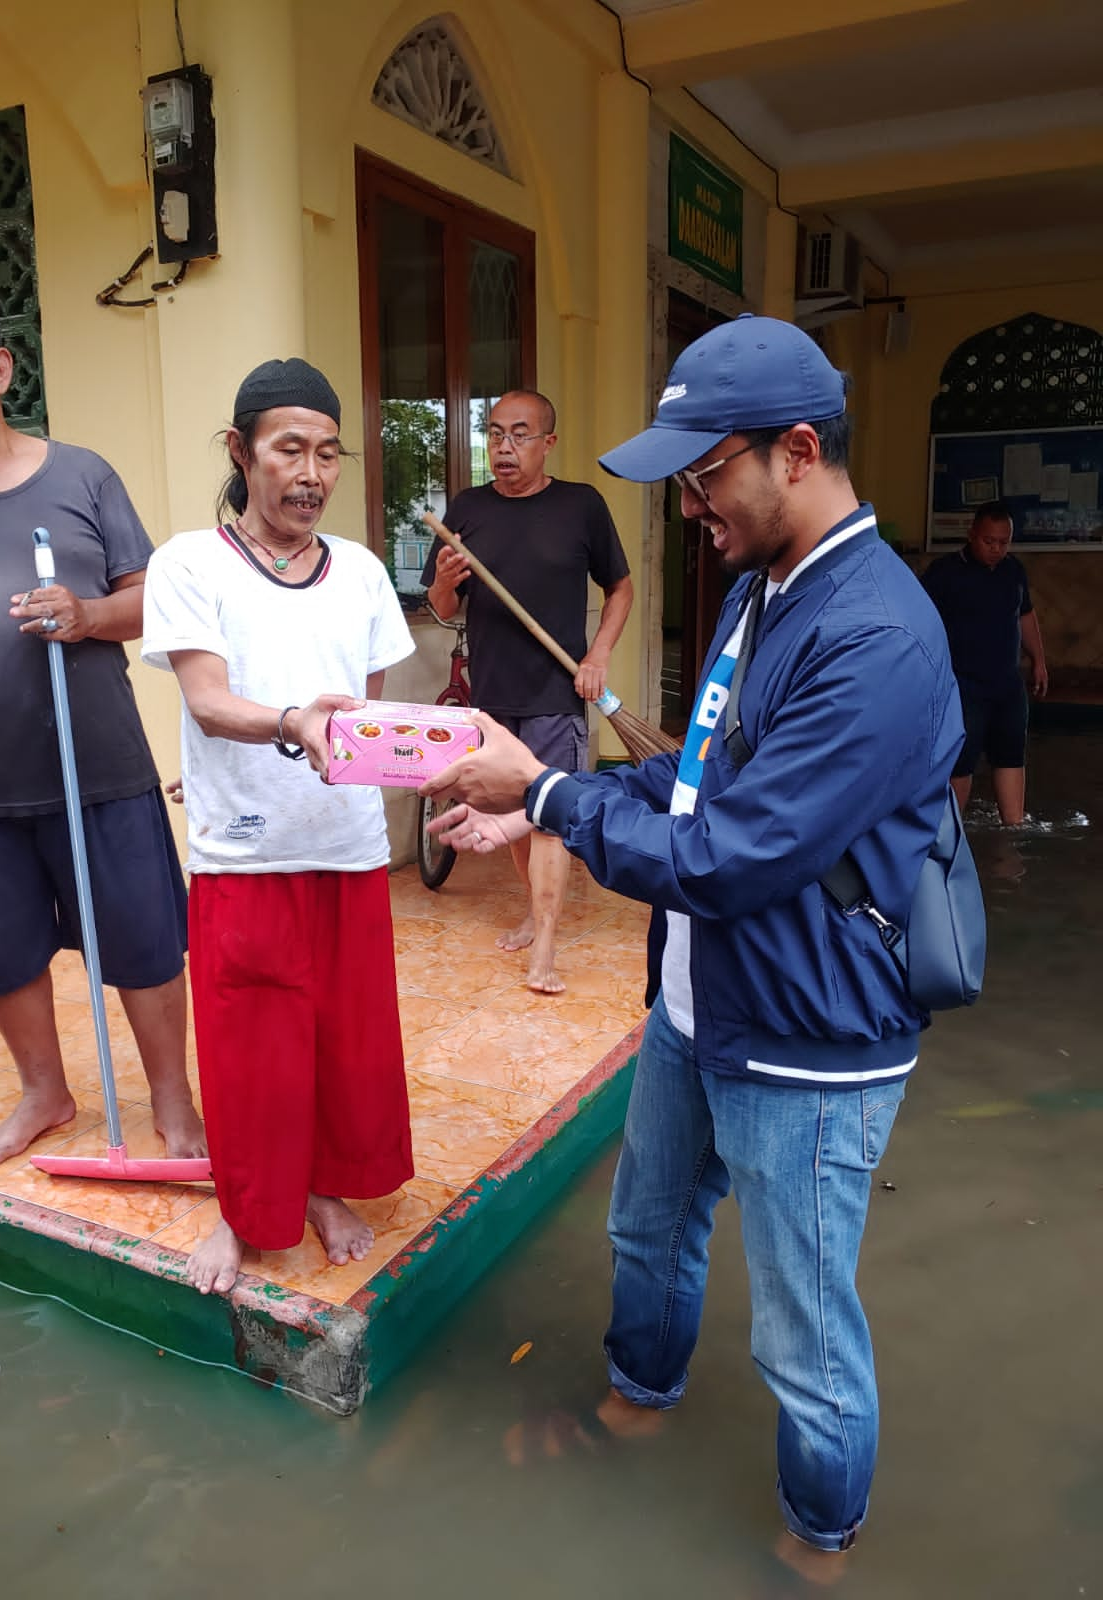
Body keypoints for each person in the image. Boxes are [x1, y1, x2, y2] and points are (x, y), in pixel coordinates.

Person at [421, 316, 963, 1577]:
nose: (686, 506)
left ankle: (818, 1541)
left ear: (797, 449)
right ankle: (638, 1398)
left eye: (705, 474)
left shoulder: (874, 634)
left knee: (802, 1335)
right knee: (648, 1230)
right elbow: (694, 791)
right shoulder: (760, 594)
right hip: (694, 1004)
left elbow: (736, 856)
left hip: (810, 1041)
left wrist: (550, 794)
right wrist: (536, 811)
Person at [0, 279, 204, 1167]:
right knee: (2, 950)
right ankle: (45, 1092)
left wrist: (84, 615)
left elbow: (150, 597)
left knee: (143, 939)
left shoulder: (81, 474)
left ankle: (172, 1099)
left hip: (96, 768)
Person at [142, 358, 415, 1295]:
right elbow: (211, 700)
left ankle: (325, 1187)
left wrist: (448, 768)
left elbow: (366, 725)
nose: (310, 474)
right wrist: (293, 722)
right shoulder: (189, 563)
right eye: (288, 449)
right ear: (241, 451)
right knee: (253, 1046)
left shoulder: (366, 573)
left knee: (343, 1039)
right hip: (245, 854)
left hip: (346, 848)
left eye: (327, 454)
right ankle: (244, 1207)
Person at [422, 390, 632, 994]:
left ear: (548, 443)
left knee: (547, 821)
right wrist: (441, 583)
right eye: (495, 433)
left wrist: (598, 653)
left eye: (520, 434)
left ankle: (544, 942)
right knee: (512, 815)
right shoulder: (467, 509)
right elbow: (443, 609)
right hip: (493, 695)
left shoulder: (580, 506)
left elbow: (620, 588)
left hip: (555, 693)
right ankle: (533, 910)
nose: (505, 447)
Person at [922, 500, 1048, 825]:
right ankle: (948, 834)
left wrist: (1039, 660)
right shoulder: (944, 573)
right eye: (988, 541)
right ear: (972, 534)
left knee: (1011, 756)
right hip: (963, 684)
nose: (995, 549)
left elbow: (1026, 615)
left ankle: (1014, 829)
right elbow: (921, 624)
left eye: (1003, 542)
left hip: (1007, 684)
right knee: (960, 762)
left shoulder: (1013, 570)